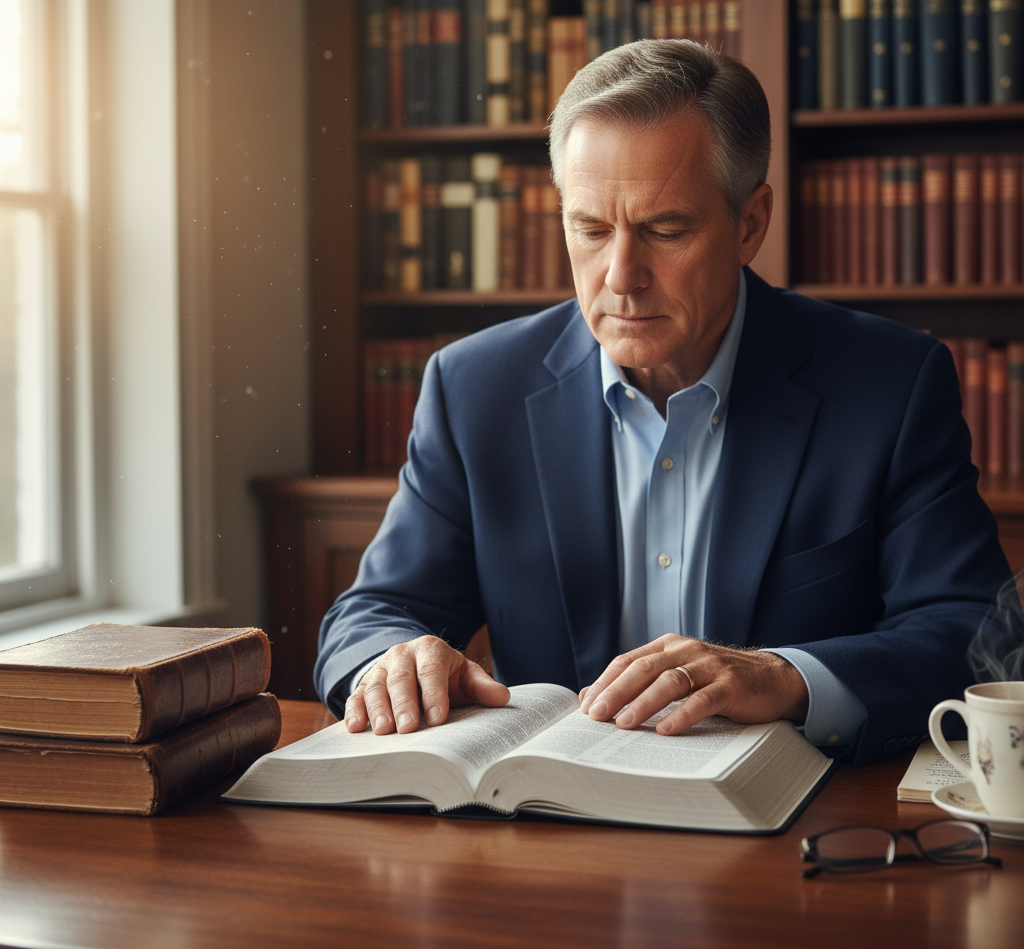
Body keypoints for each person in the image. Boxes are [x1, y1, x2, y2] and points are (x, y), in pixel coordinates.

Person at [315, 40, 1011, 763]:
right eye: (589, 229)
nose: (621, 276)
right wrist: (392, 660)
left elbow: (971, 631)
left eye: (664, 230)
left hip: (792, 830)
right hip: (547, 825)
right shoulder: (473, 388)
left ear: (750, 223)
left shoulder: (889, 384)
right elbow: (371, 612)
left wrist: (785, 677)